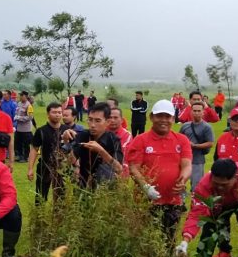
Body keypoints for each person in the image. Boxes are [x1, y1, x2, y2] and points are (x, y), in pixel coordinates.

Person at [175, 159, 238, 257]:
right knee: (211, 229)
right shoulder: (203, 186)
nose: (220, 187)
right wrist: (185, 240)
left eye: (224, 184)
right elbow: (196, 214)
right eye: (216, 183)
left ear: (235, 177)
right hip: (219, 204)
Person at [126, 99, 192, 242]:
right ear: (151, 117)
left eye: (167, 117)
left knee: (168, 239)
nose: (163, 120)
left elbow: (186, 165)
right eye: (159, 116)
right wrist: (145, 186)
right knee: (146, 239)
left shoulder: (181, 140)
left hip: (173, 200)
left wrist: (183, 179)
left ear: (173, 119)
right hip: (146, 201)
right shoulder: (140, 140)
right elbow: (133, 168)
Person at [61, 103, 124, 189]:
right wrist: (66, 141)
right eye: (90, 120)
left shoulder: (113, 140)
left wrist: (101, 151)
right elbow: (70, 161)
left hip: (105, 188)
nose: (92, 125)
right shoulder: (83, 136)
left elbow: (119, 169)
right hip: (83, 185)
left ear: (107, 122)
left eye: (98, 121)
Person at [28, 102, 65, 203]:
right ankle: (39, 218)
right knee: (40, 197)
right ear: (48, 114)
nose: (57, 114)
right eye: (54, 112)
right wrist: (30, 168)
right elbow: (34, 149)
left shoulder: (66, 130)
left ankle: (58, 218)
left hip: (62, 168)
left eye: (59, 112)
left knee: (61, 199)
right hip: (45, 167)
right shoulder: (41, 131)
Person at [179, 101, 215, 190]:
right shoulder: (185, 126)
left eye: (199, 111)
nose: (196, 113)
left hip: (198, 160)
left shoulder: (207, 127)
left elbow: (210, 143)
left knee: (196, 186)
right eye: (194, 111)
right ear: (191, 112)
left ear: (203, 112)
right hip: (183, 159)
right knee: (180, 183)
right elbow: (178, 140)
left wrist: (195, 146)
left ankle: (196, 203)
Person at [14, 91, 34, 163]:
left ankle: (25, 157)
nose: (21, 97)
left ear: (26, 96)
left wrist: (19, 118)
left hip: (26, 129)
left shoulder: (29, 106)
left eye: (22, 95)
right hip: (19, 128)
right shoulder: (19, 104)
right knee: (18, 142)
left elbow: (30, 117)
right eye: (20, 95)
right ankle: (19, 155)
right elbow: (16, 112)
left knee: (25, 144)